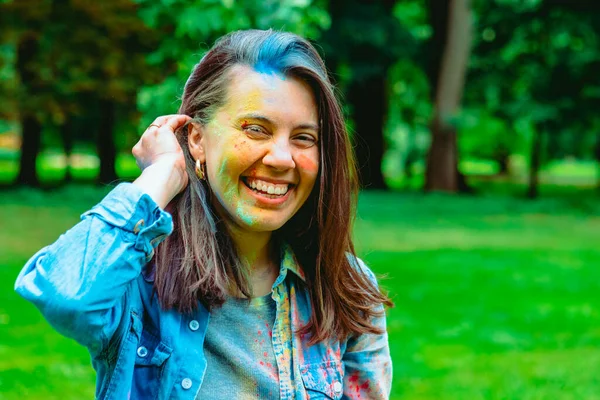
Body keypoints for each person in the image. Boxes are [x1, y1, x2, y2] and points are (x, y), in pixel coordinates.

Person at [15, 29, 392, 399]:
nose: (281, 158)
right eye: (256, 129)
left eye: (303, 138)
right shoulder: (139, 279)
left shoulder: (345, 290)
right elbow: (68, 295)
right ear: (197, 139)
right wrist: (163, 172)